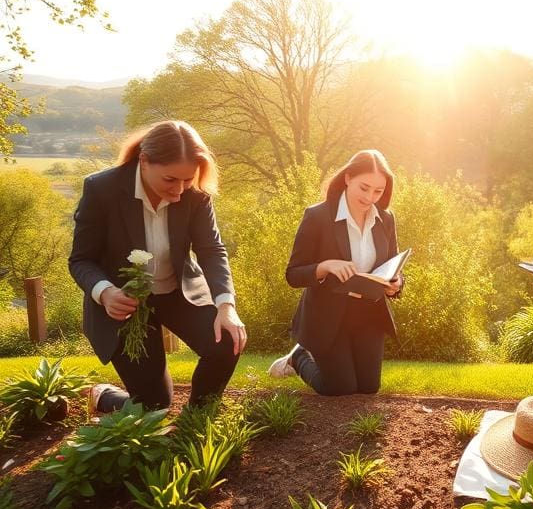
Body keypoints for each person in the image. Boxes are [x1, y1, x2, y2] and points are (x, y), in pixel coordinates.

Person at [69, 121, 246, 414]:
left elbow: (211, 250)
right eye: (170, 179)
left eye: (187, 179)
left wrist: (226, 306)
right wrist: (106, 292)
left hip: (179, 294)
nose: (179, 190)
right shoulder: (101, 189)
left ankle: (196, 418)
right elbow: (80, 259)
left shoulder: (195, 193)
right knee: (154, 405)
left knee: (227, 339)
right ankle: (105, 395)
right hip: (125, 304)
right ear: (144, 161)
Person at [269, 149, 402, 395]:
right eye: (364, 188)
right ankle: (298, 357)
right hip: (328, 317)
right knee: (339, 387)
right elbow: (293, 274)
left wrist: (396, 284)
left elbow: (393, 265)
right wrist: (326, 266)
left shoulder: (386, 219)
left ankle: (306, 357)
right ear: (348, 178)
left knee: (369, 388)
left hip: (369, 315)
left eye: (378, 191)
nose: (370, 197)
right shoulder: (318, 216)